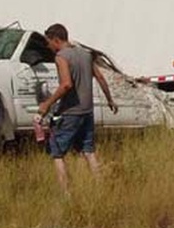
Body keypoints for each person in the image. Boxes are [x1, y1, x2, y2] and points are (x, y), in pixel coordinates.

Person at [38, 23, 118, 194]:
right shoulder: (85, 54)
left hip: (70, 112)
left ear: (56, 39)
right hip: (87, 111)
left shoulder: (61, 57)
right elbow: (101, 78)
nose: (48, 46)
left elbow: (66, 84)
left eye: (49, 42)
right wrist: (110, 100)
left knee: (57, 152)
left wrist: (47, 103)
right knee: (89, 151)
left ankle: (66, 194)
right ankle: (100, 190)